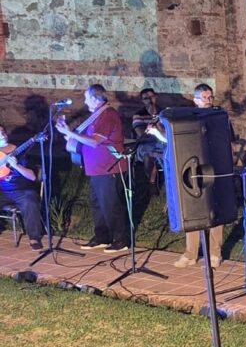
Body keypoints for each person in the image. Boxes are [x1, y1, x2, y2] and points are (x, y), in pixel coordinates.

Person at [149, 83, 226, 269]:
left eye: (210, 97)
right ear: (196, 100)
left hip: (214, 168)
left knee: (215, 210)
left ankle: (215, 253)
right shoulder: (189, 118)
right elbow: (179, 143)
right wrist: (157, 133)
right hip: (193, 169)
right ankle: (191, 253)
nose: (208, 101)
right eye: (204, 98)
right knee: (192, 208)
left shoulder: (218, 116)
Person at [54, 84, 129, 253]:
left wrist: (71, 134)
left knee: (111, 205)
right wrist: (66, 133)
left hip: (109, 168)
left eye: (87, 98)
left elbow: (95, 141)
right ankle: (102, 237)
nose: (85, 101)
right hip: (96, 169)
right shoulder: (96, 115)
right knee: (97, 205)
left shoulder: (107, 115)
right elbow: (84, 140)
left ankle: (120, 240)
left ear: (95, 98)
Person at [0, 123, 43, 250]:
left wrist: (17, 166)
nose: (3, 135)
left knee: (30, 200)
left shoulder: (20, 152)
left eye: (3, 132)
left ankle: (34, 237)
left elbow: (33, 177)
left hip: (21, 191)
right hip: (2, 192)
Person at [132, 87, 163, 192]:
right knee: (148, 152)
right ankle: (151, 181)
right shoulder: (138, 115)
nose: (150, 100)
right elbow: (141, 134)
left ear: (156, 97)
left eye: (151, 97)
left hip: (161, 141)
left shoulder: (163, 112)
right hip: (145, 143)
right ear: (142, 101)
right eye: (146, 98)